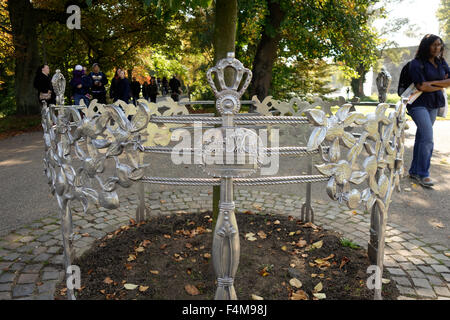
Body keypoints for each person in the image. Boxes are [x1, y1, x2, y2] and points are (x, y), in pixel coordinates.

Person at [407, 34, 450, 187]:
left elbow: (449, 81)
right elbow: (421, 86)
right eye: (433, 45)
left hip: (433, 104)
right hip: (418, 104)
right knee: (427, 137)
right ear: (426, 46)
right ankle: (424, 174)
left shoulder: (441, 62)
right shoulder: (416, 63)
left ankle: (414, 171)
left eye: (439, 45)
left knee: (421, 137)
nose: (437, 48)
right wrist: (440, 83)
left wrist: (432, 83)